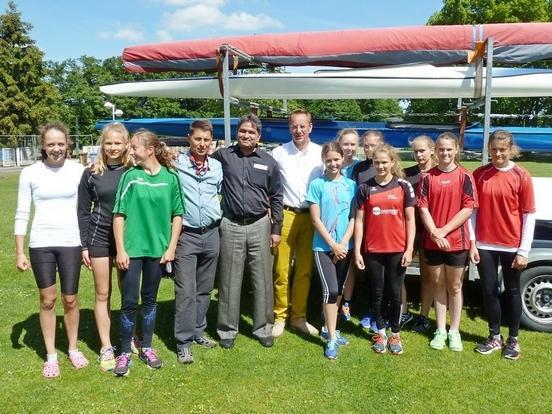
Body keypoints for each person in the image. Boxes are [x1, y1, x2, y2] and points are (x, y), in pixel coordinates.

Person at [14, 122, 88, 378]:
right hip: (41, 244)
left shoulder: (79, 171)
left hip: (71, 242)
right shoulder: (31, 173)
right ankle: (51, 355)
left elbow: (89, 208)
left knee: (71, 299)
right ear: (42, 146)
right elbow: (22, 212)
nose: (56, 149)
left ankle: (72, 348)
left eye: (60, 144)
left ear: (68, 144)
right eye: (50, 144)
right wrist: (20, 251)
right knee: (48, 300)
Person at [112, 129, 184, 376]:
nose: (130, 151)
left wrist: (171, 246)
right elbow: (118, 215)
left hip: (158, 252)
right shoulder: (130, 176)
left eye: (134, 147)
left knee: (150, 301)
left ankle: (147, 347)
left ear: (150, 150)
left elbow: (177, 215)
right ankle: (123, 352)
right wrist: (120, 249)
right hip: (131, 252)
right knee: (129, 302)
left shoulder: (171, 178)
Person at [212, 114, 283, 349]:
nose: (246, 135)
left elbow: (276, 197)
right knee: (229, 280)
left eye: (251, 132)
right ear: (237, 132)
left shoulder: (268, 161)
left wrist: (276, 229)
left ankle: (263, 328)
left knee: (262, 279)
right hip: (231, 224)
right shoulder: (223, 156)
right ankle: (227, 330)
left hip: (260, 225)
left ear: (258, 136)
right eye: (242, 131)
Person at [471, 130, 535, 360]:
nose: (498, 154)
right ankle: (494, 336)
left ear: (511, 150)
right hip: (485, 244)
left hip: (512, 245)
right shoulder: (479, 174)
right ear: (489, 148)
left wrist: (523, 250)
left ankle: (514, 340)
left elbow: (529, 215)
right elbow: (472, 211)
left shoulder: (521, 175)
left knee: (513, 291)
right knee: (489, 290)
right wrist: (472, 243)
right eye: (494, 149)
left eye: (503, 150)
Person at [77, 122, 131, 372]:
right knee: (102, 293)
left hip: (128, 240)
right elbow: (83, 211)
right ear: (102, 144)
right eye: (108, 143)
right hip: (98, 239)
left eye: (117, 143)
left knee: (128, 292)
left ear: (126, 144)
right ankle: (106, 345)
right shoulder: (91, 172)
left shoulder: (134, 170)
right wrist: (85, 245)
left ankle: (131, 338)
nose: (112, 147)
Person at [418, 132, 478, 352]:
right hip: (433, 242)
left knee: (454, 286)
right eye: (441, 149)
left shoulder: (465, 176)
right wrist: (434, 232)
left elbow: (468, 208)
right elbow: (422, 207)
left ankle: (454, 331)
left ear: (456, 151)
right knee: (438, 285)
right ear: (436, 150)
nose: (445, 153)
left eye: (449, 149)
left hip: (456, 242)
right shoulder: (427, 177)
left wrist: (443, 230)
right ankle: (441, 330)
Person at [354, 144, 416, 355]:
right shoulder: (364, 187)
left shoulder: (403, 186)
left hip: (397, 249)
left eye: (384, 162)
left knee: (395, 293)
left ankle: (395, 334)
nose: (380, 166)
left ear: (392, 163)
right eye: (376, 162)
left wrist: (409, 249)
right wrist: (357, 251)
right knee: (377, 293)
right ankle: (380, 332)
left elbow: (410, 220)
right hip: (373, 250)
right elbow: (360, 222)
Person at [173, 120, 223, 364]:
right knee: (185, 291)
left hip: (212, 233)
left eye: (206, 140)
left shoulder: (216, 167)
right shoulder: (176, 165)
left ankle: (198, 331)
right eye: (198, 139)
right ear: (189, 139)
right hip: (187, 235)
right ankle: (183, 341)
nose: (202, 144)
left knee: (204, 288)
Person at [272, 109, 322, 337]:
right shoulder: (279, 153)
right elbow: (269, 187)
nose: (298, 130)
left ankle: (298, 317)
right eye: (294, 126)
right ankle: (280, 316)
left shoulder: (320, 154)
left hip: (311, 217)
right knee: (281, 270)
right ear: (289, 127)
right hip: (286, 215)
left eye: (303, 126)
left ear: (310, 127)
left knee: (304, 271)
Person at [306, 141, 356, 359]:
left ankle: (330, 329)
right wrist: (333, 245)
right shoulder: (317, 185)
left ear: (343, 158)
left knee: (339, 289)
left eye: (337, 159)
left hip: (345, 247)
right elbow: (316, 220)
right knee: (330, 290)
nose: (333, 163)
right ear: (323, 161)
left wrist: (343, 243)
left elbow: (354, 218)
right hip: (323, 246)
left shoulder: (351, 185)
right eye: (329, 160)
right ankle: (332, 338)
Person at [344, 129, 384, 326]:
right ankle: (371, 310)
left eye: (373, 145)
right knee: (370, 272)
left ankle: (382, 311)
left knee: (384, 274)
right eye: (366, 145)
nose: (369, 149)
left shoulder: (387, 166)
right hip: (364, 227)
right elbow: (354, 197)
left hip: (384, 228)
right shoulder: (359, 169)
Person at [403, 135, 437, 333]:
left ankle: (423, 317)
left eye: (422, 150)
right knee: (399, 270)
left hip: (430, 231)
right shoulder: (406, 174)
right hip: (409, 230)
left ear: (432, 150)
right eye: (415, 151)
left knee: (427, 275)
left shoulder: (439, 173)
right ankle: (403, 311)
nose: (418, 154)